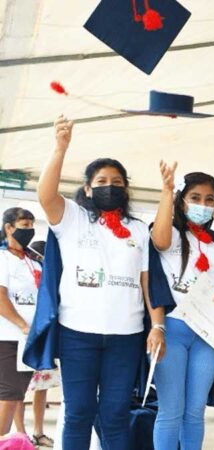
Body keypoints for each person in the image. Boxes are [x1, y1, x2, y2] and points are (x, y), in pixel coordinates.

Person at [24, 116, 165, 450]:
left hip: (126, 337)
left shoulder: (139, 229)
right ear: (88, 188)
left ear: (126, 189)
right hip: (77, 335)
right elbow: (45, 195)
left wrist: (157, 326)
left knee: (115, 414)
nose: (110, 185)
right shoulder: (73, 218)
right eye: (101, 180)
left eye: (117, 181)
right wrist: (60, 148)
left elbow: (148, 284)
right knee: (79, 412)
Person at [148, 163, 214, 450]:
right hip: (173, 330)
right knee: (170, 411)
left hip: (209, 334)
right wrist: (167, 192)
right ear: (182, 200)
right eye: (195, 197)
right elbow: (160, 241)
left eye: (209, 200)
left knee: (195, 411)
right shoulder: (170, 234)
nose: (203, 205)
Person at [0, 208, 40, 438]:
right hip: (8, 336)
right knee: (8, 395)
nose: (29, 230)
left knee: (16, 395)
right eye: (24, 225)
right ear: (9, 228)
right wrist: (22, 325)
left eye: (31, 225)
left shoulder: (32, 260)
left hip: (27, 339)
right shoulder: (2, 258)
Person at [12, 240, 55, 448]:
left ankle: (38, 432)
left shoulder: (49, 274)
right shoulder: (19, 272)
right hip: (21, 335)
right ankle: (20, 434)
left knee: (43, 386)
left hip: (43, 338)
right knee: (17, 388)